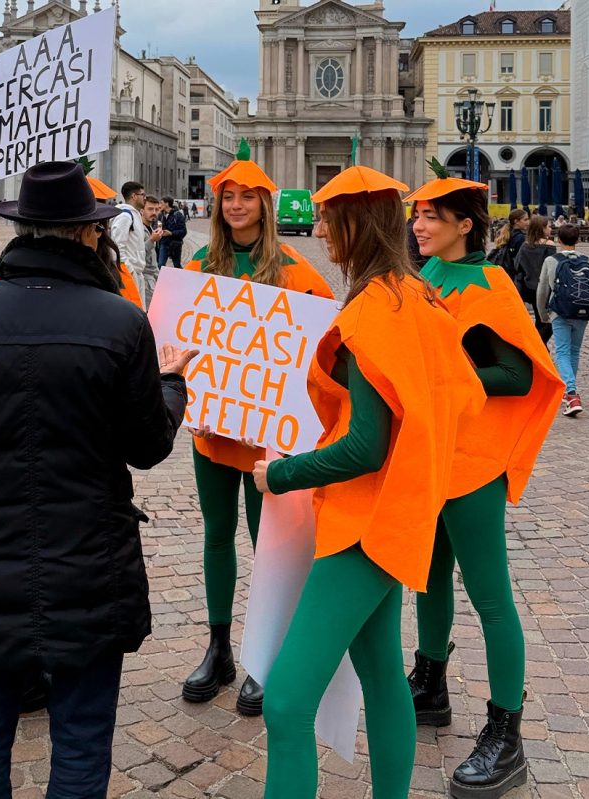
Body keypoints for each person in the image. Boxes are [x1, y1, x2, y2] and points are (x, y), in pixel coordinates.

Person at [0, 162, 195, 799]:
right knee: (82, 743)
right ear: (88, 235)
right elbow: (146, 448)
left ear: (21, 229)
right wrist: (172, 385)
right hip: (91, 564)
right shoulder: (120, 324)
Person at [250, 166, 483, 799]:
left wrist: (283, 473)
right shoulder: (418, 297)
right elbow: (460, 399)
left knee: (288, 701)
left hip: (365, 523)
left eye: (328, 218)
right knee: (381, 672)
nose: (320, 229)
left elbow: (364, 445)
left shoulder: (373, 311)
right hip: (403, 511)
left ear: (355, 223)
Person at [406, 168, 563, 799]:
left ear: (465, 225)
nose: (418, 225)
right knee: (429, 574)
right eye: (416, 215)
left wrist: (447, 384)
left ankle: (507, 732)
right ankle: (432, 681)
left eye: (432, 217)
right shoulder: (430, 277)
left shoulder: (490, 287)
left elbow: (519, 375)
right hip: (433, 453)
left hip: (472, 463)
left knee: (490, 595)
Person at [180, 145, 334, 717]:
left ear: (266, 206)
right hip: (214, 430)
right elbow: (177, 341)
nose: (237, 205)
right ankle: (219, 648)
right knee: (217, 534)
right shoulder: (199, 265)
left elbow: (326, 344)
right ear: (218, 204)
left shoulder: (295, 269)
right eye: (229, 197)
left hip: (270, 437)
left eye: (247, 197)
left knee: (265, 541)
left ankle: (264, 657)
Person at [535, 224, 589, 416]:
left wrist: (543, 314)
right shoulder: (588, 261)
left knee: (562, 351)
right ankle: (570, 389)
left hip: (560, 312)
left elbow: (542, 289)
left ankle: (570, 392)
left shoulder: (551, 261)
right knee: (574, 351)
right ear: (577, 240)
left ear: (559, 240)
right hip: (582, 313)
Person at [513, 214, 555, 344]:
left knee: (539, 318)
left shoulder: (526, 245)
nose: (551, 229)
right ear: (542, 229)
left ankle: (538, 345)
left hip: (528, 287)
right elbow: (552, 268)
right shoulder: (549, 245)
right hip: (544, 288)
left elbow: (517, 265)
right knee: (548, 321)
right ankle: (537, 345)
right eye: (548, 226)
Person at [110, 181, 148, 306]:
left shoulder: (134, 214)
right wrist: (129, 270)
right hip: (130, 274)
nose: (145, 198)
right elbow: (116, 246)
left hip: (136, 272)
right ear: (134, 196)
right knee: (133, 309)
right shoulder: (125, 216)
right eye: (143, 195)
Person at [490, 208, 529, 281]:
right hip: (514, 275)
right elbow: (521, 260)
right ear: (516, 221)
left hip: (505, 273)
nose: (528, 222)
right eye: (525, 220)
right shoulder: (520, 237)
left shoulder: (508, 233)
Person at [142, 194, 165, 306]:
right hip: (144, 279)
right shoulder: (138, 229)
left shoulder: (150, 227)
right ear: (142, 210)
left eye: (157, 209)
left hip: (153, 277)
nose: (154, 212)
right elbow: (137, 254)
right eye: (150, 209)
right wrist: (151, 240)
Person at [159, 196, 187, 269]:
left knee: (177, 265)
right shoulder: (161, 215)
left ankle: (182, 279)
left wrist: (171, 233)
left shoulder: (178, 215)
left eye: (161, 203)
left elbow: (183, 231)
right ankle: (163, 280)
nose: (159, 205)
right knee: (160, 265)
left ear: (167, 204)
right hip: (164, 243)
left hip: (175, 244)